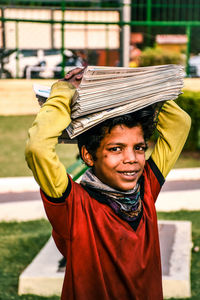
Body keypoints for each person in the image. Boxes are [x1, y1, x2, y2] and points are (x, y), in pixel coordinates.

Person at [25, 68, 191, 300]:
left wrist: (129, 84)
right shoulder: (74, 206)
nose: (131, 159)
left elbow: (179, 124)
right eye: (116, 149)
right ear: (88, 155)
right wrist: (64, 90)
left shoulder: (145, 190)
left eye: (139, 147)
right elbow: (38, 148)